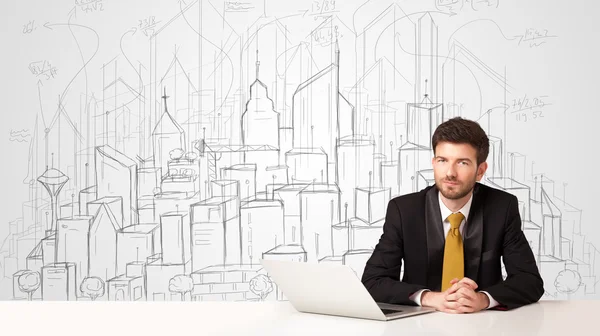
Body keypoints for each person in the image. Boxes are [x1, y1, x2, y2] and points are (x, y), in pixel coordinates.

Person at [361, 117, 544, 313]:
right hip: (417, 325)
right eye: (442, 161)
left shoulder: (502, 208)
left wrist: (483, 299)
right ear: (434, 163)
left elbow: (530, 281)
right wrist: (429, 298)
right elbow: (373, 282)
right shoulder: (404, 210)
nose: (450, 172)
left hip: (483, 324)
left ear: (480, 170)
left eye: (462, 163)